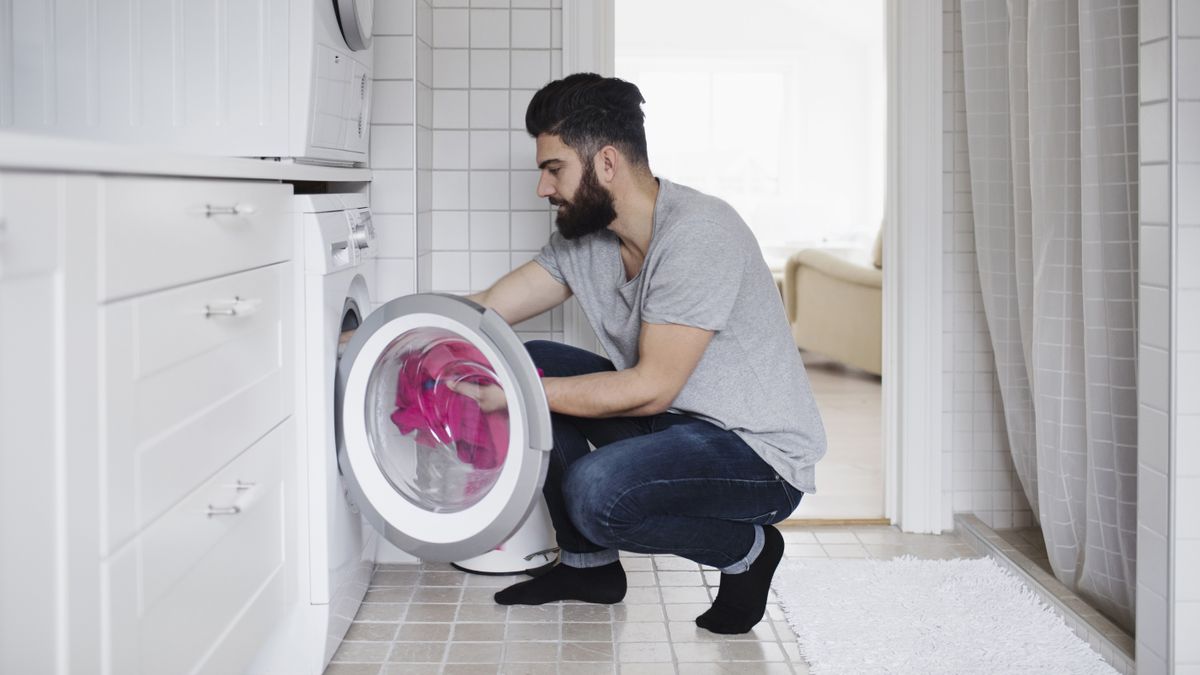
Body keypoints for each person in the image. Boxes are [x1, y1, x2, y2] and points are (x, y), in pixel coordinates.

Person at [462, 72, 826, 635]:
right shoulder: (582, 239)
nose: (543, 188)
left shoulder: (699, 233)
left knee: (594, 490)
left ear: (606, 162)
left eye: (553, 168)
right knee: (534, 359)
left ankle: (748, 550)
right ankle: (590, 572)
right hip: (678, 425)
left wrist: (512, 393)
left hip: (757, 455)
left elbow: (651, 386)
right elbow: (488, 306)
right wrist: (385, 333)